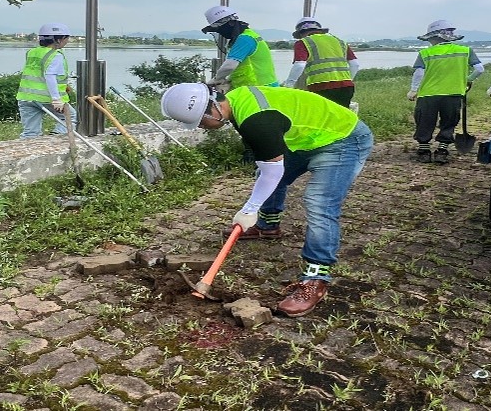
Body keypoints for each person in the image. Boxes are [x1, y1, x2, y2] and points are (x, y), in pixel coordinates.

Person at [160, 82, 374, 317]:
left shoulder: (256, 121)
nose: (202, 127)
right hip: (306, 139)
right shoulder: (237, 99)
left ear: (213, 109)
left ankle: (316, 279)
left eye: (201, 122)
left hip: (342, 139)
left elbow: (272, 170)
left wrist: (249, 208)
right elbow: (269, 166)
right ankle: (268, 226)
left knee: (319, 203)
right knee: (267, 174)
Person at [407, 19, 484, 163]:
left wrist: (413, 90)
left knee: (425, 121)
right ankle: (442, 151)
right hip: (454, 93)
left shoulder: (425, 53)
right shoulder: (465, 51)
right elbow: (480, 69)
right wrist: (468, 79)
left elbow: (418, 73)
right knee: (449, 121)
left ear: (434, 37)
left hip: (428, 94)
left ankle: (424, 150)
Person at [16, 23, 77, 138]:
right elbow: (50, 76)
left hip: (26, 97)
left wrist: (65, 85)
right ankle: (55, 138)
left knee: (30, 132)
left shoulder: (31, 52)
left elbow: (38, 73)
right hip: (47, 98)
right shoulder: (56, 55)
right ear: (59, 40)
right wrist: (56, 99)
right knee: (71, 118)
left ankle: (28, 152)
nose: (68, 41)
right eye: (67, 38)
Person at [281, 17, 360, 108]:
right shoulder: (340, 41)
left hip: (321, 87)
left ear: (301, 33)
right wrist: (348, 80)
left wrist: (289, 85)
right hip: (347, 87)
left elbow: (299, 65)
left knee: (322, 118)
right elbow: (355, 64)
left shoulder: (303, 42)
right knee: (341, 118)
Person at [201, 5, 278, 91]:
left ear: (230, 23)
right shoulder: (247, 36)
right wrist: (228, 80)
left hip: (260, 89)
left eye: (220, 29)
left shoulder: (244, 39)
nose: (221, 33)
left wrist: (216, 79)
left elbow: (229, 66)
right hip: (254, 88)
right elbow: (242, 68)